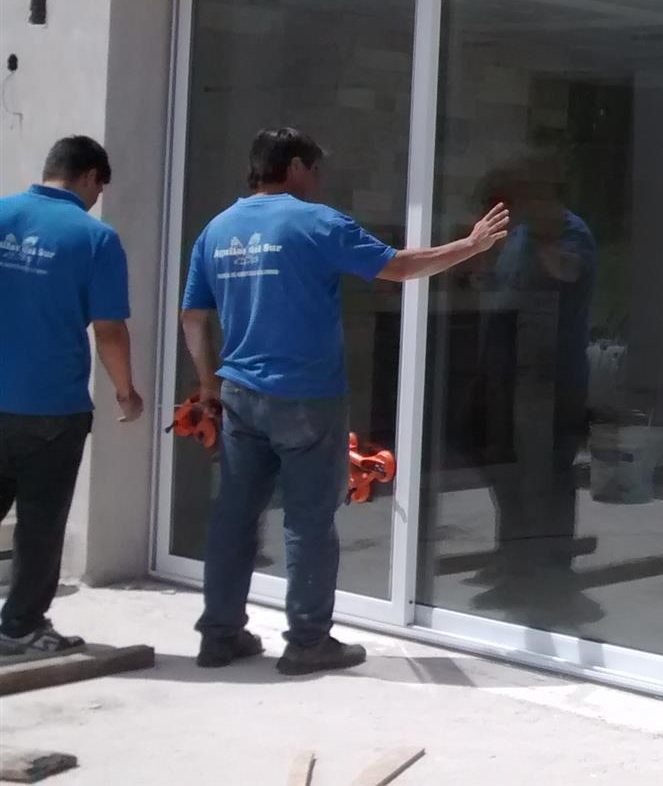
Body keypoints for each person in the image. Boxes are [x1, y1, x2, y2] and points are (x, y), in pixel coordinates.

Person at [181, 127, 509, 675]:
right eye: (314, 169)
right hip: (306, 398)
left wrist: (208, 385)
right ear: (293, 166)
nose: (317, 181)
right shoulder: (315, 222)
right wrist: (470, 247)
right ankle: (307, 642)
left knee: (234, 517)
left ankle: (220, 635)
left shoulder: (216, 230)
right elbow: (397, 267)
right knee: (308, 521)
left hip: (240, 396)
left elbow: (193, 316)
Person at [0, 137, 144, 655]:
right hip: (50, 408)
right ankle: (19, 627)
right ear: (88, 177)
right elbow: (109, 330)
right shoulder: (95, 238)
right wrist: (126, 393)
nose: (96, 199)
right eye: (99, 189)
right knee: (40, 523)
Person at [464, 158, 598, 620]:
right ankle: (514, 560)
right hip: (508, 368)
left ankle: (547, 572)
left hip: (549, 376)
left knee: (545, 474)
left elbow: (567, 272)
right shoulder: (520, 233)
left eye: (513, 199)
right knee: (505, 468)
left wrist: (540, 236)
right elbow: (504, 288)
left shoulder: (569, 231)